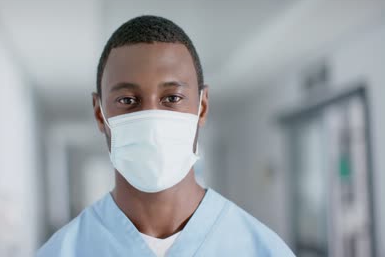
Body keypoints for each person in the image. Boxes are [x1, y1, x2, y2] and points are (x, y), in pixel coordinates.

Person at [37, 15, 295, 257]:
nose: (152, 120)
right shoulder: (62, 251)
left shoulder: (261, 250)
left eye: (172, 98)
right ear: (99, 113)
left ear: (202, 106)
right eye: (128, 100)